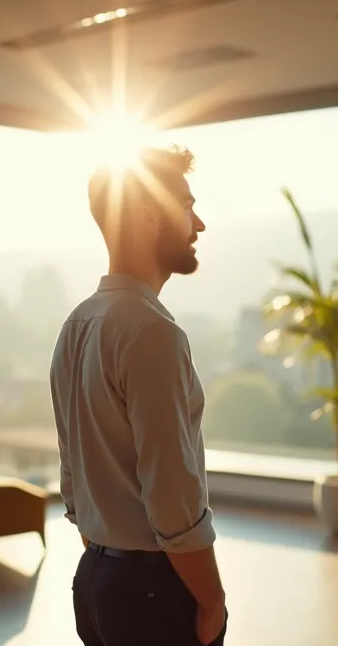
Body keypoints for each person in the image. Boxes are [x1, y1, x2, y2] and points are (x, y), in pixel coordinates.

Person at [50, 144, 227, 646]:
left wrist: (109, 557)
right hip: (152, 592)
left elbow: (73, 477)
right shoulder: (153, 334)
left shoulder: (76, 325)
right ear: (150, 214)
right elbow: (172, 496)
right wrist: (212, 599)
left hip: (96, 582)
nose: (199, 225)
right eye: (188, 206)